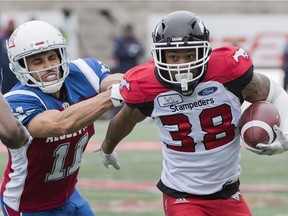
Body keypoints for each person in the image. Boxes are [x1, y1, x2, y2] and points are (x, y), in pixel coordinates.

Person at [99, 11, 288, 216]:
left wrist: (286, 134)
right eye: (173, 57)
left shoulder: (227, 72)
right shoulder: (148, 86)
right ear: (160, 56)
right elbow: (126, 118)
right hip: (182, 195)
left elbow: (274, 92)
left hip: (228, 192)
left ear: (205, 52)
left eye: (189, 55)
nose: (183, 65)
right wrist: (107, 148)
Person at [0, 20, 123, 215]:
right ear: (21, 66)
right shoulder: (17, 100)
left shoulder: (82, 72)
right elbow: (60, 124)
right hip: (29, 206)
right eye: (37, 61)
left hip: (69, 195)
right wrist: (113, 95)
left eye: (52, 57)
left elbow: (120, 82)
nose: (48, 66)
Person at [0, 19, 18, 94]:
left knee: (16, 86)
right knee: (5, 88)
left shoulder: (16, 39)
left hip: (15, 68)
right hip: (5, 69)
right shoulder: (2, 39)